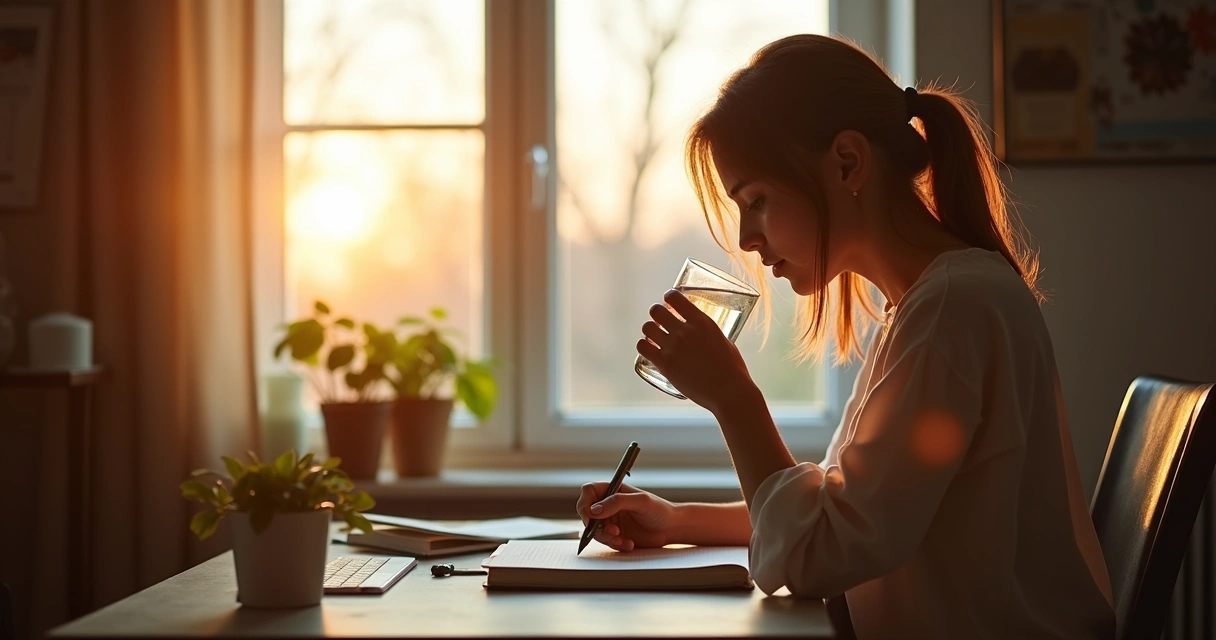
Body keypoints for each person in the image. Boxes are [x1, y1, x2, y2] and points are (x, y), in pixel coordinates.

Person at [575, 34, 1115, 639]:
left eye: (755, 200)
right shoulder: (932, 301)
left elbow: (819, 556)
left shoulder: (951, 310)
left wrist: (734, 398)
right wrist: (677, 522)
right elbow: (848, 511)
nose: (746, 238)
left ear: (848, 163)